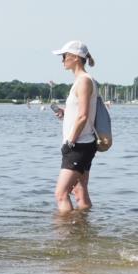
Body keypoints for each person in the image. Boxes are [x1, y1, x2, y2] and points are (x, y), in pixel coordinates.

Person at [51, 41, 98, 214]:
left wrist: (70, 142)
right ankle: (83, 232)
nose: (62, 60)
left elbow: (84, 116)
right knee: (79, 191)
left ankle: (65, 235)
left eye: (64, 56)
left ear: (76, 58)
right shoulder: (81, 81)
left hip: (79, 145)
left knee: (61, 194)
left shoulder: (84, 81)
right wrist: (65, 114)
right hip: (83, 143)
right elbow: (80, 113)